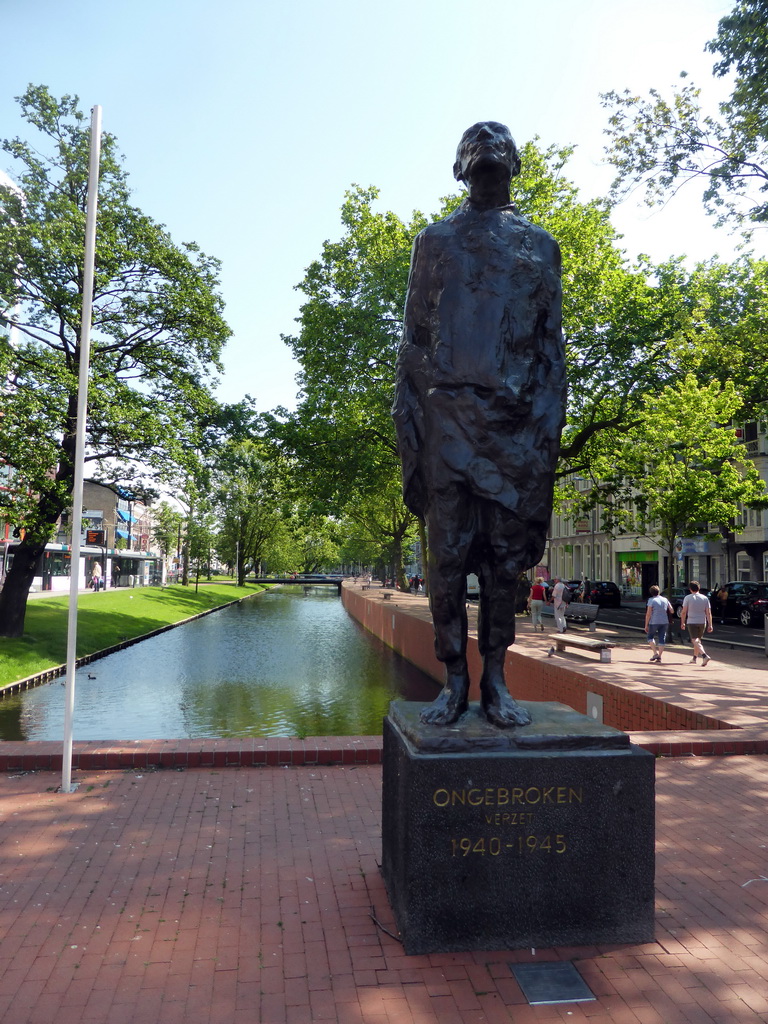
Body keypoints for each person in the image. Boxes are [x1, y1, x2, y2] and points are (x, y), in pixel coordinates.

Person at [393, 120, 566, 728]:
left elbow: (551, 349)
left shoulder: (541, 246)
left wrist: (547, 427)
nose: (486, 154)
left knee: (501, 564)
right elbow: (412, 344)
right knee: (446, 560)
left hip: (514, 431)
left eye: (497, 148)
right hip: (446, 424)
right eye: (474, 147)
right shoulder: (433, 242)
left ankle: (495, 679)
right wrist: (408, 428)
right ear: (458, 167)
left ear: (515, 164)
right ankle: (454, 680)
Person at [680, 581, 713, 666]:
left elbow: (684, 612)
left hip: (692, 621)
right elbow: (708, 613)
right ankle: (694, 657)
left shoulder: (687, 598)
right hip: (702, 621)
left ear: (690, 589)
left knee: (694, 640)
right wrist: (710, 624)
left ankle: (704, 655)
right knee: (698, 640)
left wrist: (682, 622)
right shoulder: (705, 598)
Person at [644, 584, 673, 663]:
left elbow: (648, 613)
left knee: (650, 637)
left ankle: (655, 653)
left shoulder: (651, 600)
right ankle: (660, 656)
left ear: (651, 593)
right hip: (664, 621)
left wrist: (646, 625)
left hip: (654, 621)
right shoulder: (665, 599)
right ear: (659, 592)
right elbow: (672, 610)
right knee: (662, 638)